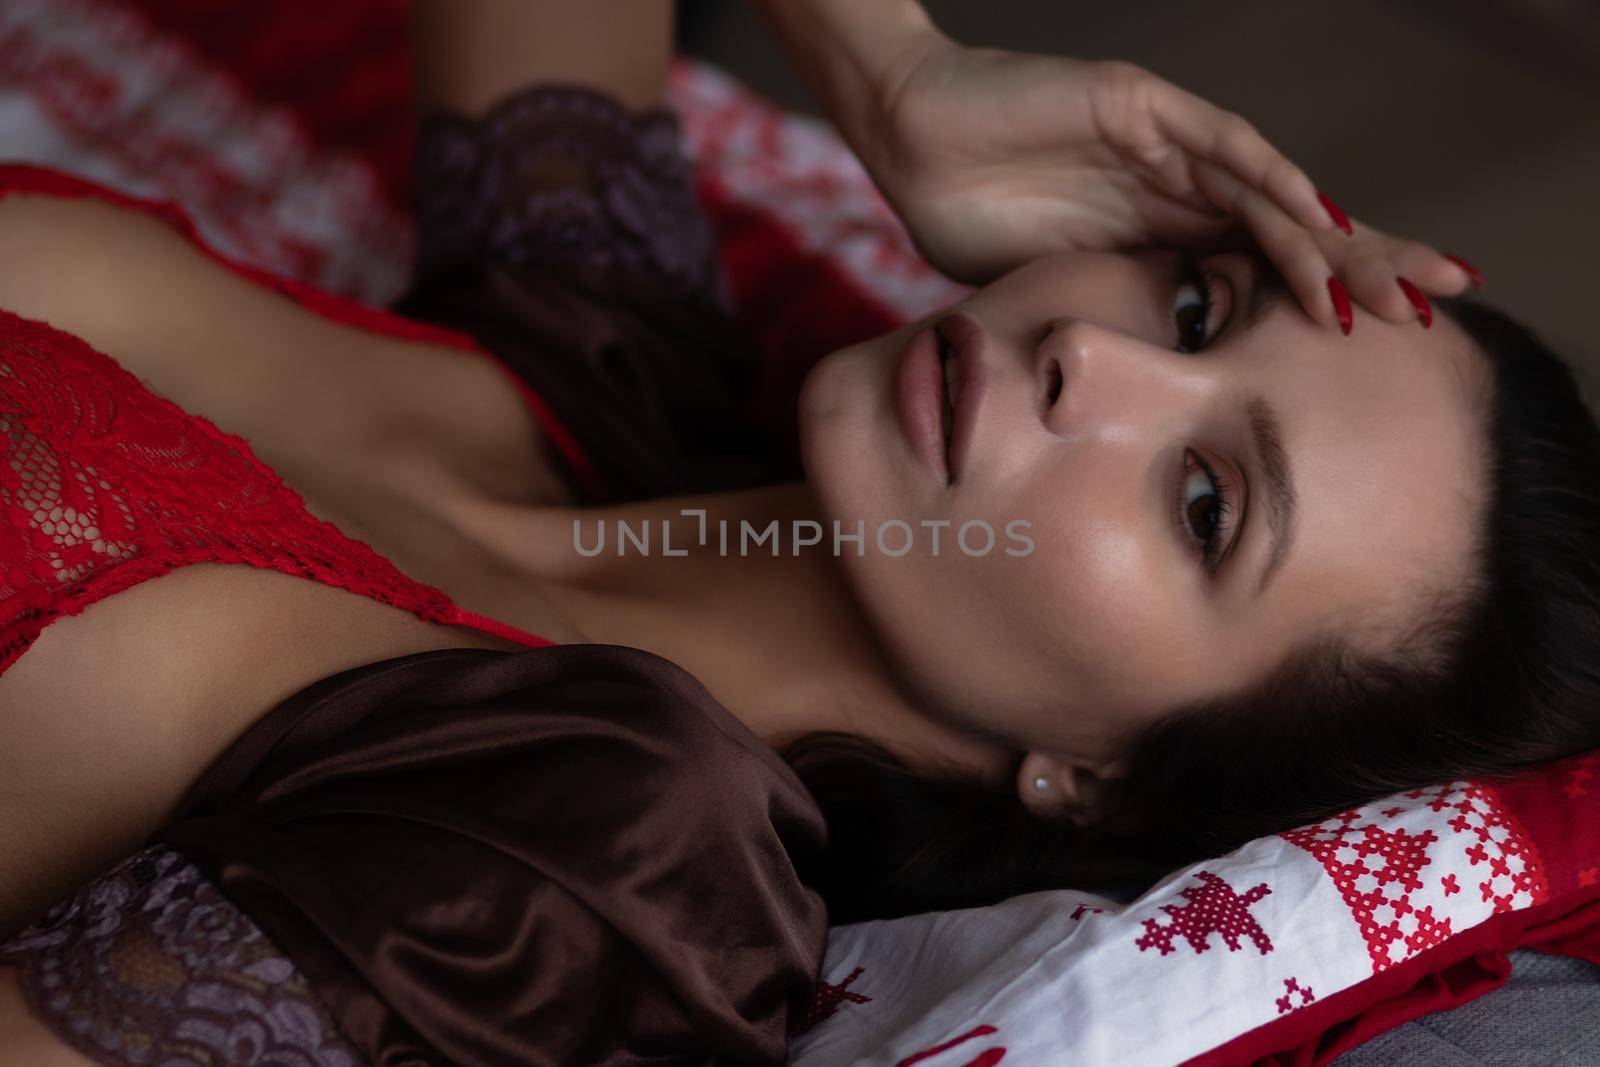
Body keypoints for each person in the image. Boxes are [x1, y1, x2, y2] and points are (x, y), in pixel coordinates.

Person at [1, 1, 1595, 1064]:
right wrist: (895, 73)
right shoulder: (604, 358)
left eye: (1204, 504)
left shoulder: (603, 856)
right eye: (1196, 301)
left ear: (1100, 777)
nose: (1095, 359)